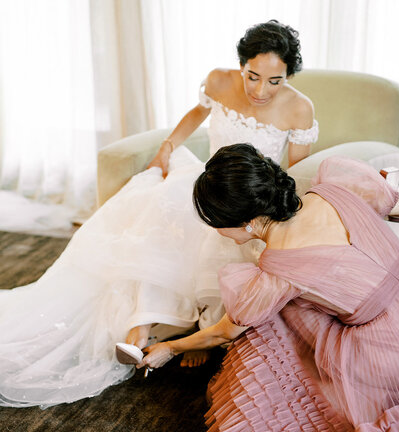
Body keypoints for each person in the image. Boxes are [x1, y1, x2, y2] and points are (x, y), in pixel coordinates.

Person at [0, 21, 318, 408]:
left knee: (216, 247)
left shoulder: (300, 108)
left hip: (246, 198)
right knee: (161, 213)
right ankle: (142, 326)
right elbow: (195, 114)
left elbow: (295, 172)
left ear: (288, 76)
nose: (259, 90)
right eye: (252, 76)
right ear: (241, 66)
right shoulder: (219, 81)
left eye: (274, 81)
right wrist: (168, 147)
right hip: (205, 181)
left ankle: (192, 333)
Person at [137, 144, 399, 432]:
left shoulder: (277, 268)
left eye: (214, 221)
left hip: (384, 346)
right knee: (285, 309)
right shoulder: (332, 184)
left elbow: (226, 330)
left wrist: (170, 347)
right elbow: (385, 201)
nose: (214, 230)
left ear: (243, 223)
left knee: (262, 334)